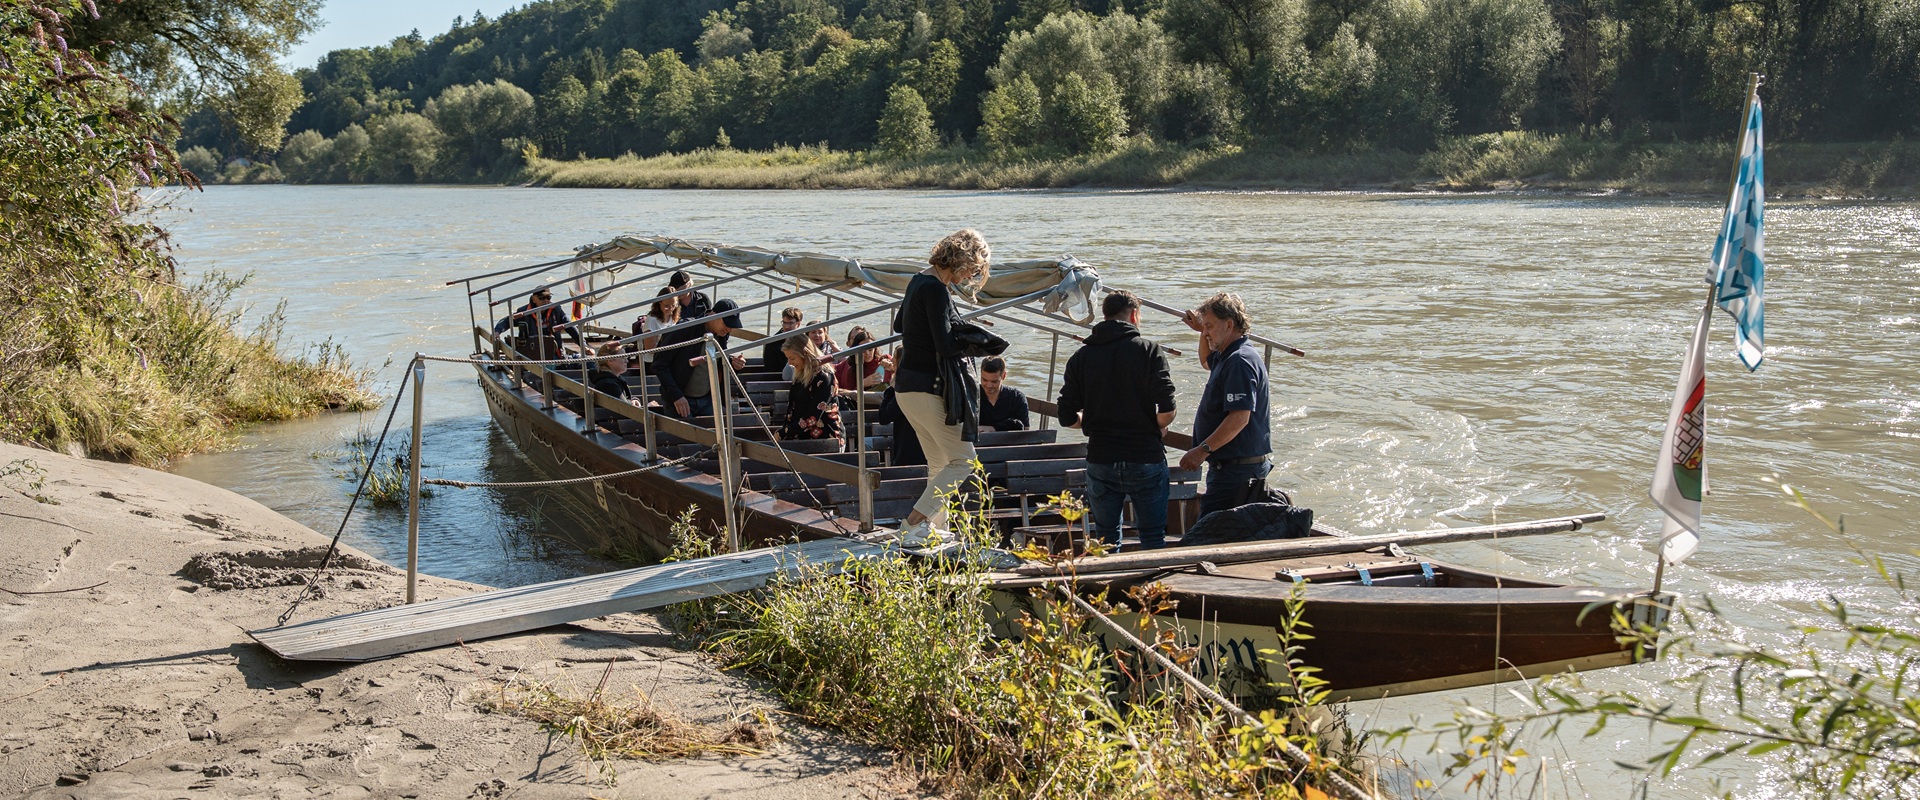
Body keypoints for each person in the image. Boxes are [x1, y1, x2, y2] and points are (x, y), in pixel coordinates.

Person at [1056, 290, 1177, 549]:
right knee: (1153, 536)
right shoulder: (1148, 350)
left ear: (1105, 315)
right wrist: (1153, 425)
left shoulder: (1081, 357)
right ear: (1134, 315)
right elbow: (1167, 408)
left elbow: (1066, 416)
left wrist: (1088, 422)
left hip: (1101, 457)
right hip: (1144, 454)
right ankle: (1152, 587)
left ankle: (1109, 584)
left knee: (1106, 539)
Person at [892, 229, 991, 544]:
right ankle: (912, 523)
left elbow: (899, 325)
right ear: (963, 260)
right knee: (964, 461)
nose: (973, 274)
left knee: (939, 464)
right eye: (974, 268)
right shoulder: (936, 289)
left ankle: (933, 531)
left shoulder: (918, 280)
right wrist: (978, 339)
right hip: (927, 387)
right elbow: (946, 345)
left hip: (906, 387)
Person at [1177, 292, 1273, 517]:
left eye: (1210, 326)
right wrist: (1203, 332)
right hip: (1230, 468)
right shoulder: (1228, 355)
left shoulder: (1239, 361)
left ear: (1229, 324)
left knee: (1210, 536)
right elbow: (1205, 361)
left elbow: (1239, 417)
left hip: (1237, 472)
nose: (1206, 332)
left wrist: (1202, 451)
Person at [655, 297, 746, 419]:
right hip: (680, 399)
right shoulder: (685, 328)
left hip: (707, 399)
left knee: (717, 435)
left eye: (731, 325)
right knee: (685, 437)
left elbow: (718, 362)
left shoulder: (722, 334)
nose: (729, 329)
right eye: (727, 324)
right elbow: (659, 364)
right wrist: (676, 396)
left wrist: (734, 364)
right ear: (714, 315)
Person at [778, 336, 843, 445]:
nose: (789, 363)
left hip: (825, 437)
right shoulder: (800, 375)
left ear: (805, 355)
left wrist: (784, 432)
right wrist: (785, 430)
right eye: (788, 358)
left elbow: (813, 416)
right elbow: (792, 407)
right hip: (800, 433)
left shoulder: (824, 377)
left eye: (792, 358)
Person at [493, 287, 584, 358]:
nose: (546, 301)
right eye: (542, 298)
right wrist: (497, 332)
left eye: (548, 297)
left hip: (555, 351)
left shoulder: (556, 309)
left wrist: (583, 346)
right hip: (533, 352)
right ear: (534, 299)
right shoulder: (524, 312)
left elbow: (570, 327)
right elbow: (506, 321)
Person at [875, 348, 923, 466]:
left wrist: (891, 389)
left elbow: (884, 417)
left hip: (908, 450)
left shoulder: (904, 389)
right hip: (924, 446)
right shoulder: (922, 383)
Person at [633, 287, 679, 376]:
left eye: (673, 305)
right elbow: (650, 348)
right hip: (653, 363)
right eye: (666, 306)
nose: (670, 309)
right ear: (659, 303)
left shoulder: (673, 317)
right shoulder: (652, 320)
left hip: (669, 359)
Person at [977, 356, 1030, 432]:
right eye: (984, 380)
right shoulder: (971, 396)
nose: (988, 385)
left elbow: (1025, 432)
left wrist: (993, 428)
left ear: (1004, 376)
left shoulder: (1017, 398)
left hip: (1010, 443)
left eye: (994, 381)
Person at [835, 326, 891, 391]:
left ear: (875, 348)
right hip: (866, 399)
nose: (867, 353)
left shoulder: (885, 360)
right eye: (863, 351)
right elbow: (849, 394)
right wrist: (863, 384)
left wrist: (892, 368)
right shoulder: (852, 368)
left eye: (870, 349)